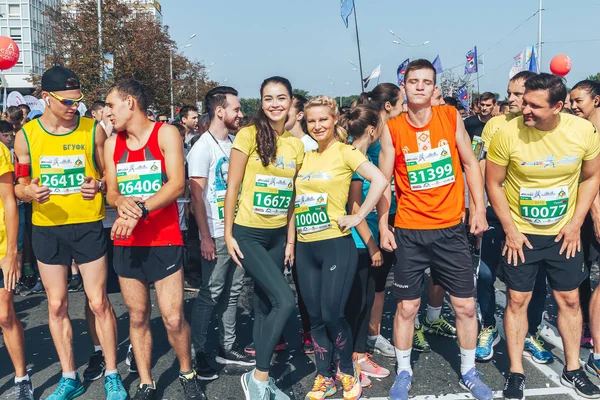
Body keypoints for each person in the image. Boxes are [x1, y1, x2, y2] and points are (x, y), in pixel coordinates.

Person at [379, 59, 492, 400]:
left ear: (433, 89)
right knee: (406, 309)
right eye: (413, 81)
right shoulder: (392, 127)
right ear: (405, 86)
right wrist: (384, 223)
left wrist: (479, 209)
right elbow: (383, 180)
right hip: (410, 231)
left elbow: (470, 163)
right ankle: (403, 371)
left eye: (426, 82)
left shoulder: (450, 117)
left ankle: (469, 371)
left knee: (465, 307)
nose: (419, 87)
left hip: (450, 229)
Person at [13, 66, 126, 400]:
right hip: (47, 229)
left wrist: (101, 186)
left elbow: (110, 178)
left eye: (77, 100)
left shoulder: (93, 132)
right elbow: (19, 186)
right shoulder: (26, 135)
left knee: (97, 301)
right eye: (66, 101)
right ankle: (69, 376)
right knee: (58, 304)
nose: (73, 106)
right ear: (46, 98)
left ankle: (112, 372)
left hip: (87, 227)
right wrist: (28, 194)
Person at [486, 73, 600, 400]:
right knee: (517, 300)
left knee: (568, 300)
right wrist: (509, 228)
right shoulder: (508, 133)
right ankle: (516, 373)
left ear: (558, 106)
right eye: (524, 103)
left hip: (564, 233)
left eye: (535, 105)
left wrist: (576, 221)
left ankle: (573, 370)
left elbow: (591, 177)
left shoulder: (582, 131)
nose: (526, 110)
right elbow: (493, 182)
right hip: (521, 234)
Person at [103, 79, 206, 400]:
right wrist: (120, 203)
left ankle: (187, 372)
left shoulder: (166, 133)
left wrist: (140, 211)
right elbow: (112, 191)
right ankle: (147, 382)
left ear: (130, 103)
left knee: (173, 317)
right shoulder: (111, 144)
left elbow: (176, 185)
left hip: (164, 238)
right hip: (127, 242)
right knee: (137, 314)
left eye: (110, 105)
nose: (107, 113)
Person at [297, 96, 387, 400]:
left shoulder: (345, 152)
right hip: (305, 248)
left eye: (323, 119)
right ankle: (324, 377)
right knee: (316, 316)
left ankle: (347, 371)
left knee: (334, 313)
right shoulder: (304, 156)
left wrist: (359, 215)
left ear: (335, 119)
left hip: (336, 245)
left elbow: (379, 180)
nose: (317, 125)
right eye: (311, 120)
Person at [224, 76, 302, 400]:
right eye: (268, 98)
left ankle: (261, 384)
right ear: (261, 102)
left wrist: (291, 241)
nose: (274, 104)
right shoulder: (248, 135)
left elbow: (292, 196)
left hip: (276, 238)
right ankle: (258, 377)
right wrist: (228, 233)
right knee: (285, 300)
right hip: (249, 234)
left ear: (291, 102)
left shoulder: (296, 144)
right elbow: (232, 187)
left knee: (264, 304)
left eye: (281, 98)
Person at [476, 71, 553, 364]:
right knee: (485, 274)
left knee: (535, 282)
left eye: (518, 94)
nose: (511, 100)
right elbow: (480, 165)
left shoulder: (545, 128)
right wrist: (477, 210)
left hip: (533, 220)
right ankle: (488, 327)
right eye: (509, 93)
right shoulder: (494, 125)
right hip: (497, 215)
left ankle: (530, 332)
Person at [188, 85, 254, 382]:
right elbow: (197, 196)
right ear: (220, 111)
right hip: (214, 232)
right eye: (236, 109)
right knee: (211, 293)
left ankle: (227, 347)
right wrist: (204, 236)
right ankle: (199, 352)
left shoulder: (233, 143)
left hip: (237, 229)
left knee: (233, 291)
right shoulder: (203, 147)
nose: (240, 114)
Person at [342, 103, 392, 390]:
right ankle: (351, 361)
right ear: (372, 130)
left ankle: (359, 355)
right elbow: (355, 207)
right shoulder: (355, 159)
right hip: (359, 242)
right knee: (357, 304)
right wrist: (372, 245)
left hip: (367, 238)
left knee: (366, 300)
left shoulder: (359, 155)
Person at [569, 80, 600, 370]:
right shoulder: (581, 131)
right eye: (571, 100)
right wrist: (595, 213)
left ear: (597, 100)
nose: (573, 105)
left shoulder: (594, 129)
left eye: (579, 100)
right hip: (585, 215)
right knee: (581, 273)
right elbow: (586, 180)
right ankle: (585, 327)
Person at [282, 92, 316, 354]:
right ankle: (282, 333)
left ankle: (309, 332)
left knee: (304, 284)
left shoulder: (310, 145)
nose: (281, 112)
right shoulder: (278, 142)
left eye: (288, 108)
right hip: (278, 224)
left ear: (300, 115)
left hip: (306, 224)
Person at [0, 140, 34, 400]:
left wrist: (13, 252)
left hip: (0, 247)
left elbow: (9, 201)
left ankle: (22, 378)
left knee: (4, 315)